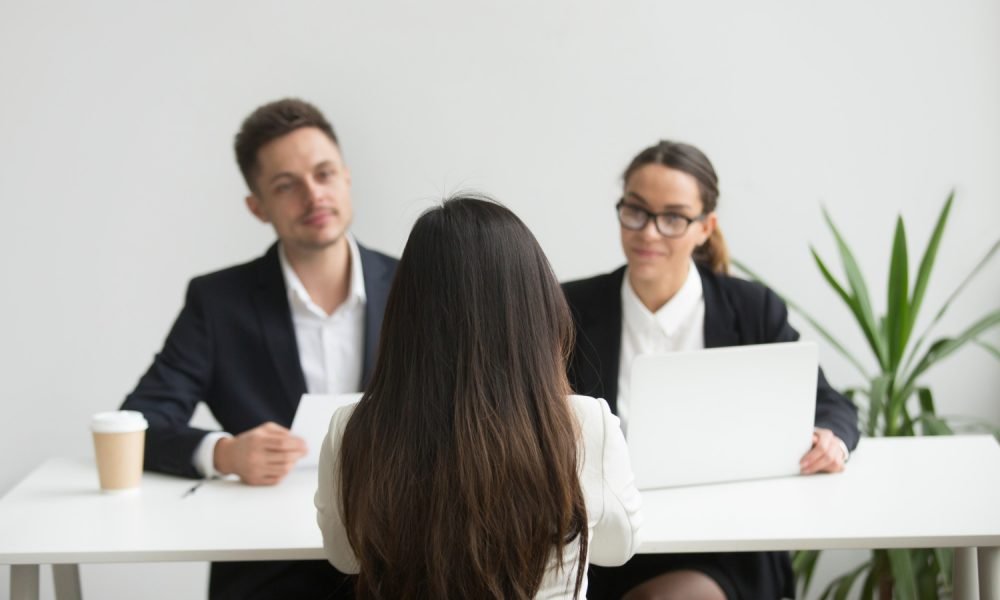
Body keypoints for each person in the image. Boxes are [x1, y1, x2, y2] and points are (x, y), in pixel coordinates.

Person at [121, 98, 397, 599]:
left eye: (324, 173)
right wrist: (224, 452)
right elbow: (141, 421)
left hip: (400, 557)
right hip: (267, 565)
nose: (313, 196)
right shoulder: (217, 302)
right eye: (286, 185)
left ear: (347, 177)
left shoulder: (414, 285)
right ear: (257, 206)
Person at [563, 140, 860, 600]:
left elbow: (830, 403)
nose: (649, 233)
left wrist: (830, 438)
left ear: (705, 228)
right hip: (608, 545)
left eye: (674, 218)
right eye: (636, 211)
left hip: (727, 544)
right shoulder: (572, 308)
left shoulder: (750, 308)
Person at [315, 196, 643, 599]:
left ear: (404, 314)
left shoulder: (352, 429)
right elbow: (618, 549)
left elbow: (344, 555)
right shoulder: (585, 424)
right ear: (537, 309)